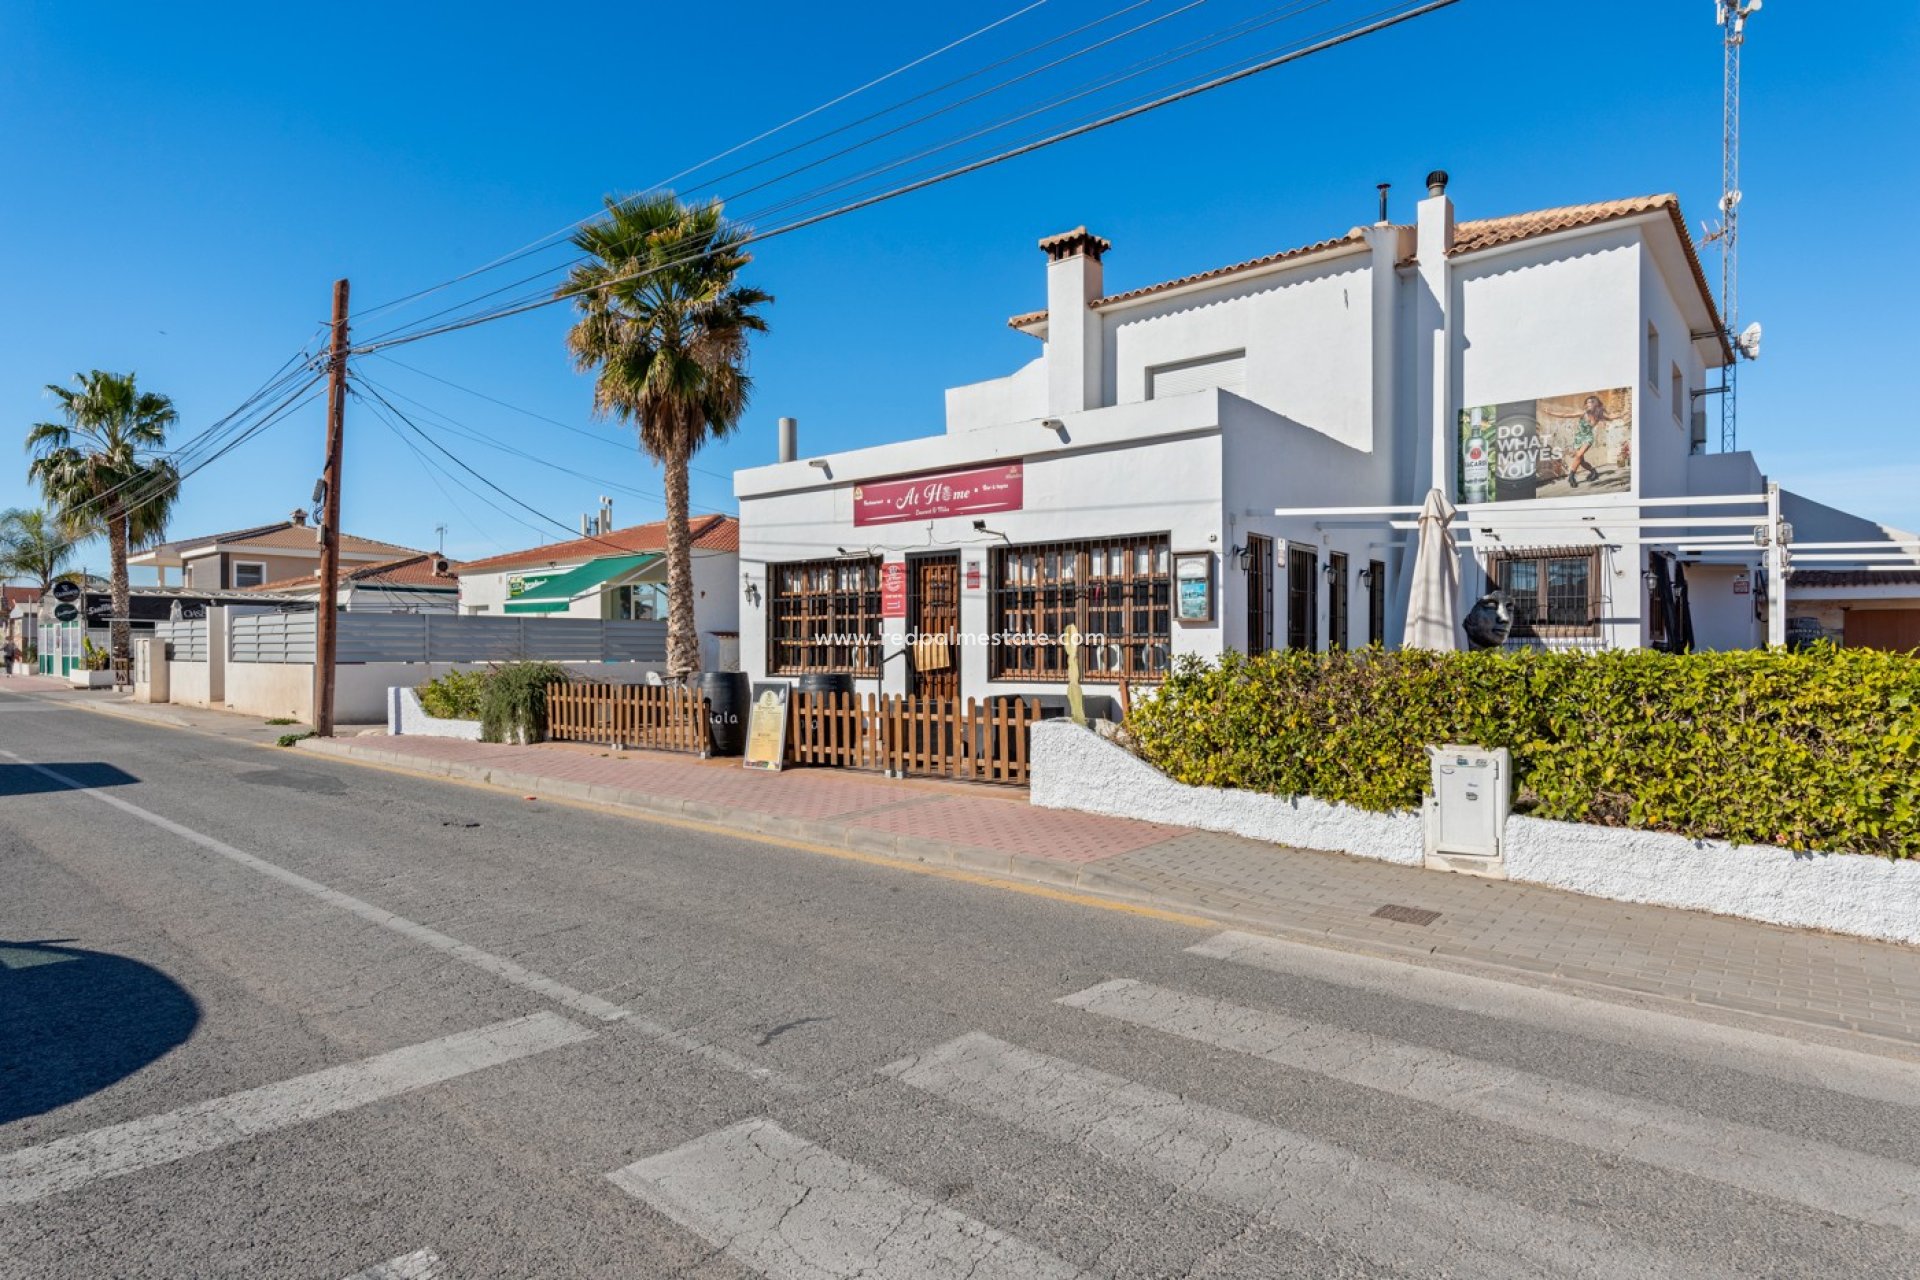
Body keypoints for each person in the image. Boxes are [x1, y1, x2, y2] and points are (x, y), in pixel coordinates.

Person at [1565, 395, 1608, 489]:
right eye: (1587, 402)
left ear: (1595, 404)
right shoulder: (1582, 413)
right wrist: (1550, 413)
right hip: (1578, 438)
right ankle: (1593, 472)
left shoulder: (1598, 415)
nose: (1588, 404)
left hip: (1588, 438)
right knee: (1581, 461)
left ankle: (1571, 476)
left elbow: (1612, 416)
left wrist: (1625, 413)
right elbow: (1565, 415)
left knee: (1578, 456)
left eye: (1591, 402)